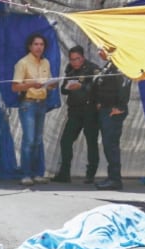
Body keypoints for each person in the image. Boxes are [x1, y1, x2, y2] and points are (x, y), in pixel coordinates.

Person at [12, 33, 57, 186]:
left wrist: (52, 84)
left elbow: (49, 82)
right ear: (30, 46)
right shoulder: (22, 63)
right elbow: (15, 86)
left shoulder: (46, 63)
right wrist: (31, 85)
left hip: (42, 103)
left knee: (38, 140)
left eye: (41, 44)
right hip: (28, 103)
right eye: (36, 44)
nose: (39, 47)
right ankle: (26, 174)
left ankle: (37, 173)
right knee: (29, 139)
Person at [53, 45, 100, 184]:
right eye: (72, 59)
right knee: (66, 141)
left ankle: (90, 174)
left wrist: (82, 87)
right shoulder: (70, 69)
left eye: (77, 59)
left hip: (90, 111)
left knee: (91, 142)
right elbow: (64, 90)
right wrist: (69, 86)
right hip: (75, 111)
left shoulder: (93, 69)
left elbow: (97, 88)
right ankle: (64, 173)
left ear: (83, 57)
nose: (74, 62)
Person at [92, 49, 132, 191]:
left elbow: (125, 84)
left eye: (102, 49)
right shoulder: (109, 65)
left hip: (113, 111)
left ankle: (115, 179)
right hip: (106, 109)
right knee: (109, 145)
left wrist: (120, 107)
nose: (98, 51)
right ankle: (112, 177)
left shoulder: (120, 65)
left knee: (111, 145)